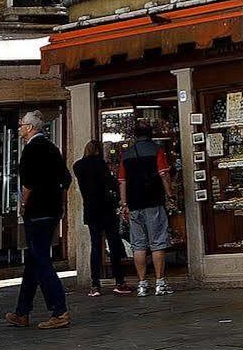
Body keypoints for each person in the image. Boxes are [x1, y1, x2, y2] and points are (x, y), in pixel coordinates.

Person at [6, 109, 71, 329]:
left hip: (37, 211)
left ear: (30, 128)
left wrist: (23, 205)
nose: (20, 129)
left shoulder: (31, 150)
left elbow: (28, 184)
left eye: (22, 125)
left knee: (41, 260)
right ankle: (22, 311)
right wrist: (59, 203)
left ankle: (59, 309)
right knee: (34, 261)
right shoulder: (52, 148)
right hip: (52, 210)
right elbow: (66, 178)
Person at [118, 120, 175, 296]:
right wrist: (170, 194)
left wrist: (124, 203)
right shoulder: (156, 150)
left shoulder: (126, 154)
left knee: (139, 245)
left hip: (134, 204)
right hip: (153, 201)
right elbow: (164, 174)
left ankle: (142, 284)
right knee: (158, 242)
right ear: (150, 134)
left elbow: (122, 181)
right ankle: (160, 282)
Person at [72, 140, 131, 297]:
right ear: (99, 150)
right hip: (106, 209)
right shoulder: (101, 164)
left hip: (91, 210)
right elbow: (111, 184)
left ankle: (95, 285)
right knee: (113, 244)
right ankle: (119, 281)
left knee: (96, 246)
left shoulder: (78, 166)